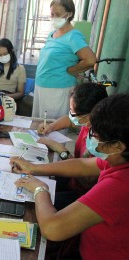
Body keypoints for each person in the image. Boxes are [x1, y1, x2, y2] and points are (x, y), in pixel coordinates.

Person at [10, 94, 129, 259]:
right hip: (87, 242)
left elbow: (52, 228)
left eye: (95, 135)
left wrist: (40, 189)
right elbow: (83, 165)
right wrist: (35, 168)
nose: (90, 136)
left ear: (117, 146)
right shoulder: (117, 158)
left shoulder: (121, 185)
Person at [37, 83, 108, 210]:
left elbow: (87, 180)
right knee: (37, 178)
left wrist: (62, 151)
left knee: (38, 202)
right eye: (70, 110)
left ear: (90, 114)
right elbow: (69, 120)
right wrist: (50, 127)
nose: (71, 115)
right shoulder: (89, 122)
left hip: (84, 195)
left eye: (74, 113)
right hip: (72, 180)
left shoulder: (102, 141)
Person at [32, 0, 96, 121]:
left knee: (52, 127)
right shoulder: (52, 34)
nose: (54, 17)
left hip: (58, 88)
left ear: (69, 14)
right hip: (41, 85)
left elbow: (90, 60)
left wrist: (71, 70)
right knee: (38, 125)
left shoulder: (73, 36)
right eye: (52, 14)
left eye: (58, 14)